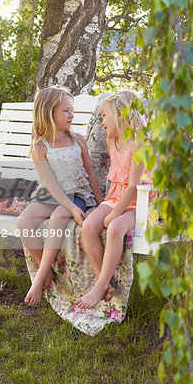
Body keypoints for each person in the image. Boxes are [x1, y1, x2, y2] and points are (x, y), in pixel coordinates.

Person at [17, 86, 103, 306]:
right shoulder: (40, 147)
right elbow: (52, 186)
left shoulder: (78, 140)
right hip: (50, 195)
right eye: (66, 111)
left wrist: (101, 205)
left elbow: (91, 175)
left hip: (77, 195)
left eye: (72, 110)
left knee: (57, 217)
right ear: (48, 112)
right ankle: (48, 271)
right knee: (23, 221)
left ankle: (39, 278)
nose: (71, 115)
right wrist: (72, 209)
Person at [74, 91, 147, 309]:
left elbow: (134, 186)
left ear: (120, 114)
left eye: (104, 116)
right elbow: (117, 181)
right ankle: (103, 284)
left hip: (139, 202)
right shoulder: (111, 139)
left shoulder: (140, 142)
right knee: (88, 226)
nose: (102, 122)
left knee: (115, 227)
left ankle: (99, 287)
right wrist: (110, 209)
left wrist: (114, 215)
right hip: (115, 197)